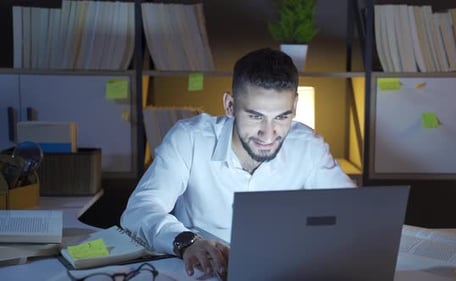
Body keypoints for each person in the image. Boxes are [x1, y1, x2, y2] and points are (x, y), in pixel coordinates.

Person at [120, 47, 356, 279]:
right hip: (203, 272)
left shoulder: (308, 146)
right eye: (255, 116)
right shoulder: (189, 139)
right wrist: (186, 241)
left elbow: (353, 212)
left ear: (294, 106)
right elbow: (140, 209)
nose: (268, 134)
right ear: (230, 105)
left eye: (282, 117)